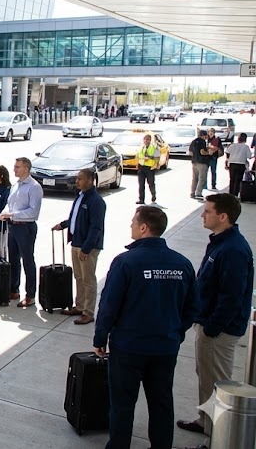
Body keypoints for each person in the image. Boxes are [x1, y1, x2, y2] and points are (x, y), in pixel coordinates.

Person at [93, 206, 199, 449]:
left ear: (143, 228)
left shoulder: (126, 262)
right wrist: (175, 332)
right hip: (165, 347)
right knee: (161, 402)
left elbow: (109, 305)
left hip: (129, 347)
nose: (130, 225)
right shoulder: (182, 264)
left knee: (122, 404)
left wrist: (100, 338)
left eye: (133, 222)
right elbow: (193, 307)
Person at [176, 193, 254, 443]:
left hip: (219, 330)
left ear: (223, 217)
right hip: (210, 323)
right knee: (207, 378)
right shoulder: (221, 242)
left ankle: (216, 439)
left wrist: (212, 327)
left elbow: (232, 295)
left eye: (207, 211)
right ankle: (205, 423)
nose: (202, 214)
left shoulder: (233, 250)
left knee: (218, 385)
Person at [52, 169, 106, 325]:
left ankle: (88, 312)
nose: (77, 181)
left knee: (88, 280)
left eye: (80, 179)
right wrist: (63, 225)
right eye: (77, 179)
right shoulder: (80, 197)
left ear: (90, 180)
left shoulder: (96, 201)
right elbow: (74, 219)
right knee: (79, 277)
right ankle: (80, 306)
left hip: (87, 247)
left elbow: (96, 228)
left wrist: (86, 249)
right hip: (76, 243)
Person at [0, 157, 43, 308]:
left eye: (17, 167)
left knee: (27, 261)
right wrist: (5, 212)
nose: (14, 169)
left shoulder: (34, 187)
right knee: (13, 259)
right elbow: (10, 204)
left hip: (26, 228)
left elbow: (33, 211)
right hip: (13, 227)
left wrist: (12, 215)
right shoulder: (16, 185)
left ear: (26, 168)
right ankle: (14, 289)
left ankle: (30, 295)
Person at [225, 133, 252, 197]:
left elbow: (227, 153)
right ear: (245, 139)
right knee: (238, 180)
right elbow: (249, 156)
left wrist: (227, 161)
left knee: (232, 179)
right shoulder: (246, 147)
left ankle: (230, 193)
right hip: (241, 164)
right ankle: (235, 194)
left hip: (232, 164)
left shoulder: (233, 145)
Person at [136, 134, 158, 204]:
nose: (146, 141)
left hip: (150, 168)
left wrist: (155, 165)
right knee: (141, 184)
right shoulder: (141, 147)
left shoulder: (154, 147)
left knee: (151, 183)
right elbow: (137, 156)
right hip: (141, 167)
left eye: (147, 139)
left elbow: (157, 157)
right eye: (145, 139)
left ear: (150, 140)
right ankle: (141, 199)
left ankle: (153, 195)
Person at [189, 130, 210, 199]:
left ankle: (192, 193)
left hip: (194, 162)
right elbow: (202, 152)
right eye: (206, 135)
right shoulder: (202, 142)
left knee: (194, 178)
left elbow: (190, 152)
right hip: (202, 162)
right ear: (203, 136)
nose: (206, 137)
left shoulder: (194, 141)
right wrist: (209, 153)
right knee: (202, 178)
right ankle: (198, 193)